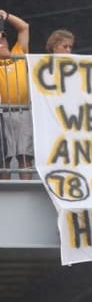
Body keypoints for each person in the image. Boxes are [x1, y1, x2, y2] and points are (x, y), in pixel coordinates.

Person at [0, 10, 33, 180]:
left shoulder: (19, 51)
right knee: (3, 159)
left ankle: (25, 187)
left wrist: (7, 16)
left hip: (22, 111)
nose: (1, 39)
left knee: (24, 155)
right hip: (2, 113)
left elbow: (24, 28)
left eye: (3, 36)